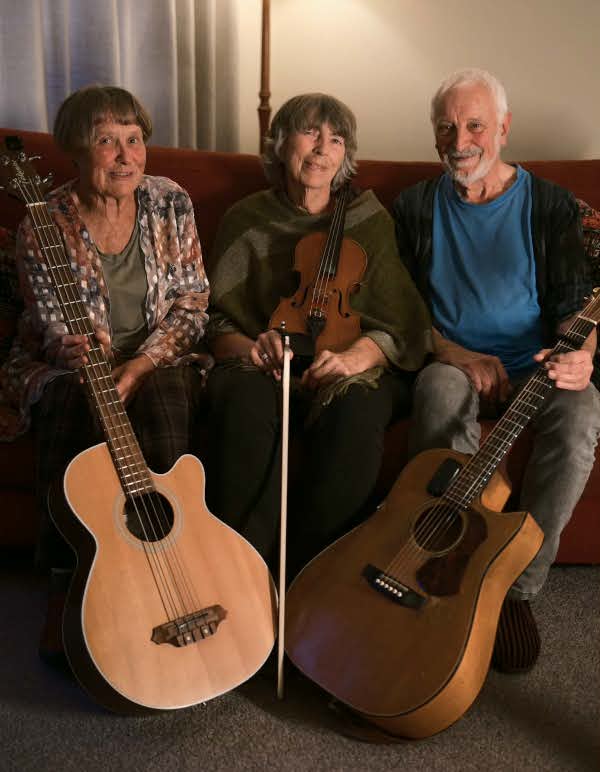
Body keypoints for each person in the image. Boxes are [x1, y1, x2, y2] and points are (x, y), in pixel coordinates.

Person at [392, 68, 600, 672]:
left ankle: (515, 590)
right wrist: (455, 353)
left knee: (585, 407)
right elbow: (396, 307)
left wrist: (584, 354)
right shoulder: (412, 209)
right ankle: (445, 561)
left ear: (504, 129)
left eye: (475, 124)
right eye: (447, 127)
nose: (461, 140)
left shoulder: (553, 206)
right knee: (435, 388)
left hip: (535, 366)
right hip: (452, 363)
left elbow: (587, 295)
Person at [1, 85, 211, 665]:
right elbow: (47, 326)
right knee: (72, 406)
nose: (125, 156)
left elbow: (193, 306)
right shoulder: (43, 224)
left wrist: (139, 365)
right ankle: (67, 581)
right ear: (75, 151)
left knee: (166, 411)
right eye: (106, 141)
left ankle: (170, 570)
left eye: (134, 140)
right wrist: (78, 352)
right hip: (73, 363)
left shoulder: (171, 203)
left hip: (159, 356)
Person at [205, 93, 431, 574]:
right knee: (242, 399)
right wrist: (252, 349)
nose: (322, 147)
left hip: (351, 363)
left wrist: (357, 357)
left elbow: (403, 324)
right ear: (281, 142)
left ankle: (315, 570)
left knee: (357, 408)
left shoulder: (368, 219)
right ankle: (244, 569)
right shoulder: (246, 219)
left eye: (336, 139)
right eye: (310, 132)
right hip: (268, 364)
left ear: (346, 156)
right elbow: (216, 323)